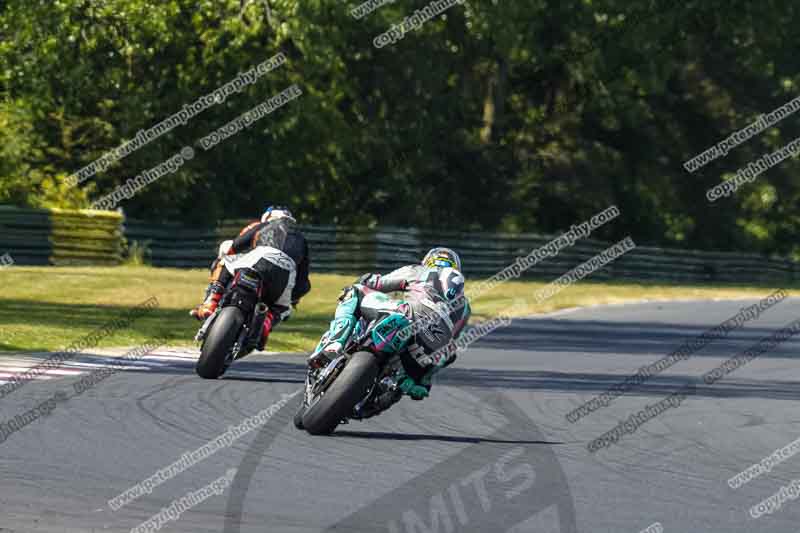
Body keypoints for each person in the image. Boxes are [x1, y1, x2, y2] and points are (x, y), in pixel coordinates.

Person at [309, 247, 470, 400]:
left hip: (409, 312)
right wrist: (424, 379)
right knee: (446, 352)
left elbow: (376, 283)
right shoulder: (465, 306)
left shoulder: (417, 270)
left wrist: (365, 279)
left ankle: (335, 342)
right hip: (432, 344)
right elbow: (451, 345)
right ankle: (416, 382)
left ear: (428, 261)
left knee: (355, 291)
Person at [190, 206, 311, 350]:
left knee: (225, 261)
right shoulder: (302, 240)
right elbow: (303, 283)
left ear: (267, 217)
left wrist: (227, 254)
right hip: (284, 275)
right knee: (281, 308)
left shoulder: (263, 225)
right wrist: (293, 298)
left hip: (257, 260)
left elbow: (235, 246)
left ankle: (211, 301)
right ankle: (265, 325)